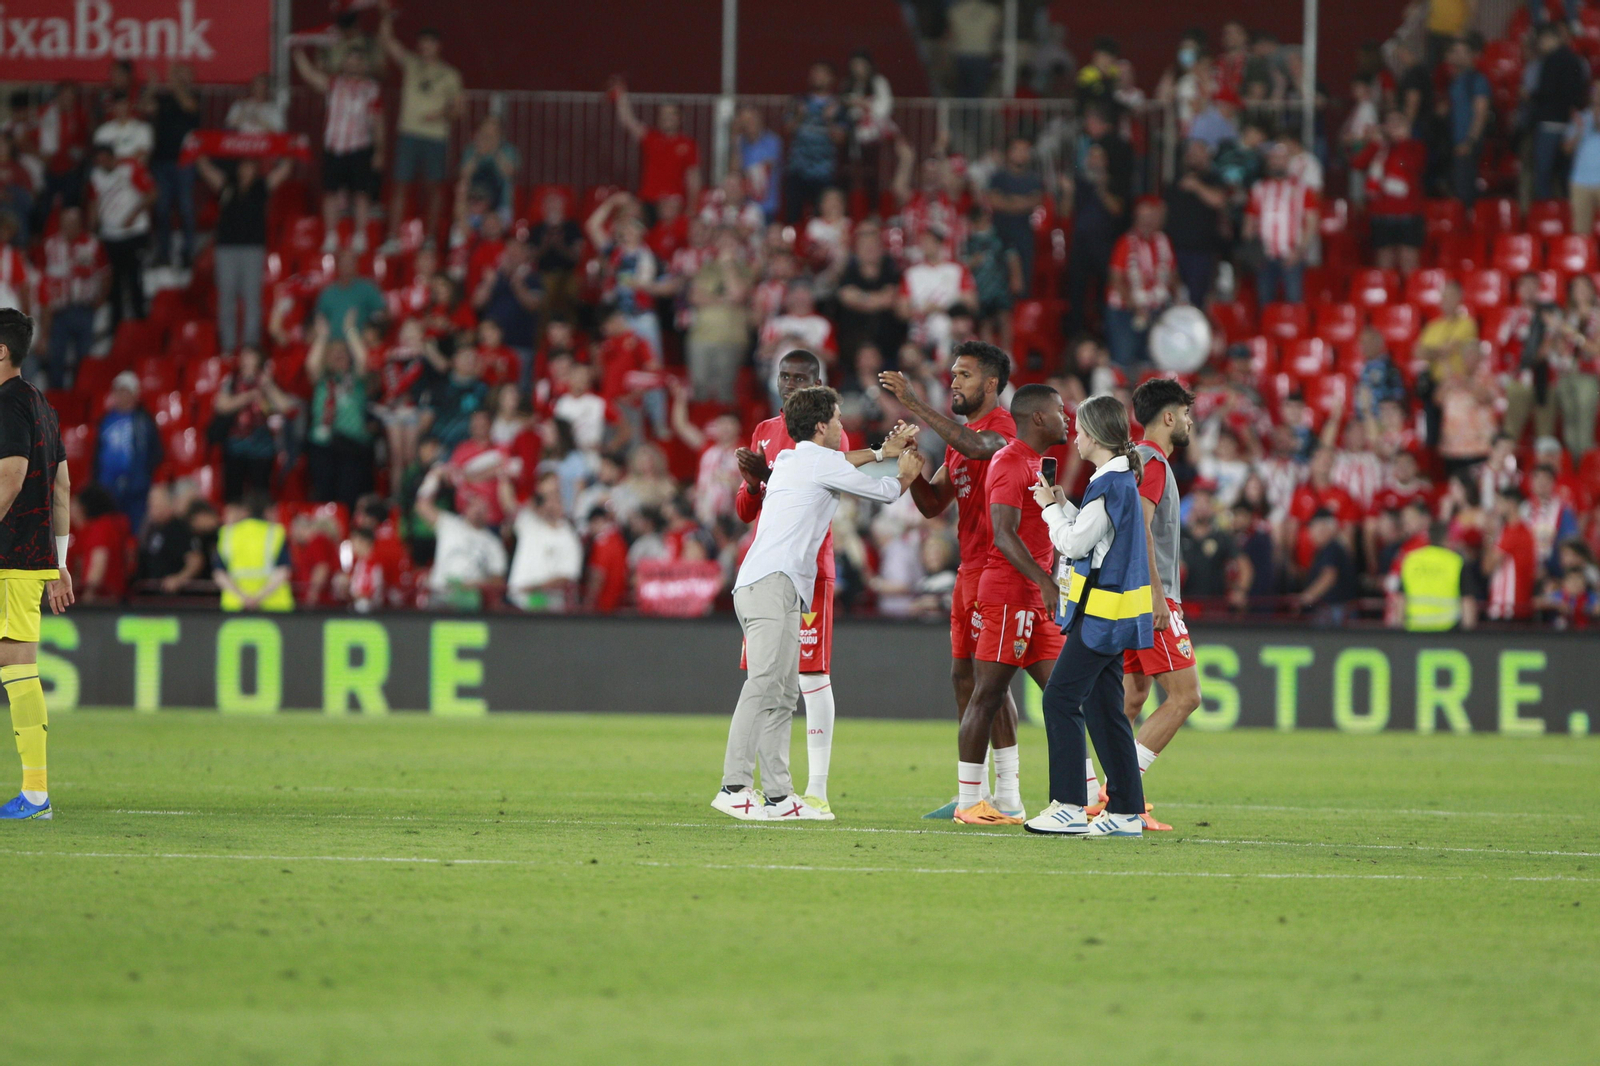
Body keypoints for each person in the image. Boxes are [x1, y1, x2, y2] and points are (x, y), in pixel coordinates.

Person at [713, 385, 920, 823]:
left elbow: (841, 461)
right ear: (823, 426)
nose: (843, 427)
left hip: (776, 584)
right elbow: (883, 492)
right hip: (770, 583)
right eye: (839, 420)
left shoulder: (791, 458)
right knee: (765, 683)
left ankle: (778, 795)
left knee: (785, 692)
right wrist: (904, 472)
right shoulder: (813, 461)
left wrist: (881, 449)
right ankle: (733, 786)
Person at [881, 342, 1023, 818]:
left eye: (963, 375)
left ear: (990, 384)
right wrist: (915, 464)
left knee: (991, 682)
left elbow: (980, 448)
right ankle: (977, 793)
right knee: (966, 678)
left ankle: (1008, 794)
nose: (953, 383)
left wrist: (915, 404)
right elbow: (932, 504)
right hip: (967, 571)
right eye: (952, 375)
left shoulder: (1000, 429)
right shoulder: (962, 440)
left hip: (997, 570)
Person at [1024, 393, 1153, 838]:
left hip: (1099, 616)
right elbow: (1097, 537)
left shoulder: (1108, 484)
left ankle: (1068, 805)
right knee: (1103, 709)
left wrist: (1046, 508)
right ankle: (1125, 811)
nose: (1074, 437)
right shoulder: (1117, 482)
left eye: (1079, 430)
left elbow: (1075, 545)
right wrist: (1062, 506)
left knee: (1059, 699)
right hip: (1113, 614)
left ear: (1096, 435)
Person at [950, 385, 1069, 825]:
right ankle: (968, 802)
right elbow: (1003, 533)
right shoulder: (1010, 460)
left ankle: (1087, 794)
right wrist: (1044, 580)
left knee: (1065, 696)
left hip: (1037, 599)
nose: (1066, 417)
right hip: (1008, 596)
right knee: (987, 694)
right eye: (1059, 411)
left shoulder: (1039, 465)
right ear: (1038, 418)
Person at [1116, 379, 1203, 831]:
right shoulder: (1152, 463)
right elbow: (1141, 530)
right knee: (1186, 696)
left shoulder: (1137, 461)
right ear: (1168, 417)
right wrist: (1157, 594)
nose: (1189, 421)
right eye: (1185, 414)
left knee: (1133, 696)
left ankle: (1096, 792)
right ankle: (1121, 797)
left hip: (1131, 595)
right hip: (1148, 596)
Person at [0, 310, 71, 820]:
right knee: (18, 666)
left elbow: (11, 476)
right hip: (29, 557)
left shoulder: (6, 404)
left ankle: (37, 795)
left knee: (18, 667)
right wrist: (59, 562)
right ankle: (36, 792)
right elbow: (62, 487)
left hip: (6, 554)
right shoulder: (43, 406)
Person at [379, 7, 463, 250]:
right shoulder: (411, 64)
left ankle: (430, 238)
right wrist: (385, 17)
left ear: (438, 46)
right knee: (400, 185)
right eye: (422, 44)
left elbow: (458, 109)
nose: (425, 47)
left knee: (434, 188)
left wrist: (440, 114)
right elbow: (387, 42)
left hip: (436, 136)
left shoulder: (450, 75)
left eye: (430, 44)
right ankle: (393, 238)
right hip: (408, 134)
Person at [198, 153, 292, 354]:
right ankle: (228, 347)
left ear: (255, 169)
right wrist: (199, 151)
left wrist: (290, 151)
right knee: (226, 299)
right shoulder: (227, 185)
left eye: (250, 166)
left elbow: (283, 171)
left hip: (252, 249)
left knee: (251, 299)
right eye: (243, 166)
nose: (246, 170)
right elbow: (207, 171)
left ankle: (250, 347)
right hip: (226, 249)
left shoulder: (261, 187)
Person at [293, 46, 383, 253]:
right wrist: (298, 53)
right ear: (344, 63)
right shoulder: (334, 83)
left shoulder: (371, 89)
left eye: (358, 60)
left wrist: (379, 150)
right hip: (334, 146)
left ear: (364, 65)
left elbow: (378, 121)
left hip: (360, 146)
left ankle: (360, 236)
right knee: (330, 193)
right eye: (350, 59)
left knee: (361, 194)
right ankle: (331, 235)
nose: (353, 64)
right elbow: (310, 76)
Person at [86, 141, 153, 332]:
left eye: (104, 159)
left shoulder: (130, 168)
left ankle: (141, 323)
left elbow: (151, 193)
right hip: (110, 235)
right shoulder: (95, 176)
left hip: (134, 233)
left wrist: (133, 214)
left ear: (112, 157)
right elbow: (94, 203)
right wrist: (93, 229)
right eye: (98, 160)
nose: (101, 164)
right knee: (114, 283)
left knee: (134, 280)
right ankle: (117, 327)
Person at [39, 206, 106, 389]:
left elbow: (106, 272)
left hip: (84, 308)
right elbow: (43, 280)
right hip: (58, 311)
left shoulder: (92, 244)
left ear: (80, 224)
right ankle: (56, 402)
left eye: (73, 223)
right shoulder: (50, 246)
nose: (69, 227)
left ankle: (79, 398)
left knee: (83, 359)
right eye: (65, 223)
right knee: (56, 358)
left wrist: (101, 298)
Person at [1354, 110, 1427, 277]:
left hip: (1408, 213)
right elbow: (1358, 163)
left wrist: (1402, 141)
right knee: (1384, 260)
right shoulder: (1379, 148)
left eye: (1397, 123)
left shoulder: (1415, 146)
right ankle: (1387, 298)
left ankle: (1409, 296)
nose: (1393, 128)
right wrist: (1375, 144)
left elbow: (1411, 164)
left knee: (1408, 259)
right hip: (1381, 212)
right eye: (1389, 123)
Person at [1106, 196, 1176, 367]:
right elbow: (1116, 278)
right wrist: (1135, 306)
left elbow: (1172, 273)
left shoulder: (1163, 242)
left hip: (1155, 309)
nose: (1148, 222)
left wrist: (1176, 297)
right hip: (1125, 311)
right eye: (1144, 218)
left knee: (1152, 359)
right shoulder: (1125, 242)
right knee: (1125, 359)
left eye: (1152, 217)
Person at [1244, 142, 1318, 304]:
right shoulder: (1258, 189)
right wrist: (1252, 251)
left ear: (1289, 162)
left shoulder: (1303, 189)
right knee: (1264, 301)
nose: (1277, 162)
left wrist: (1299, 251)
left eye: (1282, 158)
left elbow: (1311, 222)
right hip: (1264, 255)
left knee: (1293, 300)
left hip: (1291, 254)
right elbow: (1249, 222)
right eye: (1274, 158)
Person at [142, 63, 199, 267]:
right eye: (177, 74)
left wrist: (175, 84)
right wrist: (151, 87)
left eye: (183, 73)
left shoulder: (194, 96)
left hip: (184, 162)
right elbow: (145, 108)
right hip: (161, 162)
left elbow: (188, 105)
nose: (178, 77)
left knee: (185, 208)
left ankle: (187, 253)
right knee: (162, 209)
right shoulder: (163, 98)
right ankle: (163, 253)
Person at [613, 88, 701, 219]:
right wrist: (621, 96)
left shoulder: (688, 144)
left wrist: (691, 208)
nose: (667, 118)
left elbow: (693, 179)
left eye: (671, 114)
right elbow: (628, 121)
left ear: (680, 117)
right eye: (663, 114)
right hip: (647, 201)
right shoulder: (650, 138)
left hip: (672, 205)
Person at [1528, 22, 1588, 203]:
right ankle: (1565, 218)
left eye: (1541, 41)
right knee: (1566, 177)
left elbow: (1546, 92)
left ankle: (1546, 216)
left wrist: (1532, 97)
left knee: (1543, 175)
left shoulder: (1550, 61)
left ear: (1549, 38)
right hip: (1569, 125)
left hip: (1549, 124)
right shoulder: (1576, 60)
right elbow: (1580, 94)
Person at [93, 371, 161, 530]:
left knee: (134, 529)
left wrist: (142, 475)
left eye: (126, 391)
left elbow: (155, 452)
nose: (121, 395)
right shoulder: (105, 420)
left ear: (135, 394)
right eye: (118, 391)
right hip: (107, 487)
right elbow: (98, 452)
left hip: (136, 488)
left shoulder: (144, 420)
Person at [1164, 139, 1227, 306]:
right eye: (1190, 153)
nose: (1193, 157)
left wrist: (1197, 186)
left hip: (1201, 251)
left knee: (1197, 298)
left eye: (1198, 153)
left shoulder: (1213, 179)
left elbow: (1218, 201)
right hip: (1174, 249)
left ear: (1206, 156)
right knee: (1171, 296)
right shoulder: (1175, 180)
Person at [783, 63, 848, 224]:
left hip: (824, 172)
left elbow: (841, 138)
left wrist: (829, 120)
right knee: (792, 217)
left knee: (822, 218)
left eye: (822, 73)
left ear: (832, 78)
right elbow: (787, 129)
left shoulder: (838, 106)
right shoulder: (799, 101)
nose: (817, 76)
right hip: (798, 169)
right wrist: (799, 116)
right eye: (815, 73)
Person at [505, 478, 583, 611]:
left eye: (555, 500)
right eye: (547, 499)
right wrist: (504, 477)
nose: (550, 504)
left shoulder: (569, 536)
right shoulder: (529, 521)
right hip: (516, 602)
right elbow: (508, 505)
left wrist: (535, 588)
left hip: (547, 606)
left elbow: (568, 576)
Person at [213, 491, 292, 612]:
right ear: (267, 511)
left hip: (234, 606)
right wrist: (258, 598)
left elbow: (219, 574)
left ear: (245, 510)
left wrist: (243, 598)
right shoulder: (276, 533)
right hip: (274, 607)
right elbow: (283, 571)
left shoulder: (227, 534)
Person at [987, 137, 1043, 293]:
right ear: (1009, 152)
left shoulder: (1034, 179)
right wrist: (1021, 202)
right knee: (998, 283)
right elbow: (995, 202)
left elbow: (1035, 202)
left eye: (1024, 150)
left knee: (1023, 284)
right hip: (1000, 235)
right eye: (1017, 150)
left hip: (1024, 236)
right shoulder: (998, 177)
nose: (1021, 154)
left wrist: (1009, 201)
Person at [1401, 521, 1472, 631]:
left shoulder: (1411, 560)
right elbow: (1467, 602)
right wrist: (1469, 636)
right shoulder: (1456, 562)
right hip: (1448, 632)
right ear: (1446, 538)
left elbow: (1400, 600)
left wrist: (1398, 632)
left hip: (1415, 631)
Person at [1445, 36, 1490, 209]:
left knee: (1464, 191)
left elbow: (1481, 113)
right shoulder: (1456, 80)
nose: (1454, 56)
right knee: (1456, 189)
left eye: (1459, 52)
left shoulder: (1477, 80)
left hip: (1466, 144)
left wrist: (1470, 141)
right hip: (1455, 143)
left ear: (1471, 55)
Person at [1567, 81, 1600, 237]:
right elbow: (1566, 149)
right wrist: (1580, 131)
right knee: (1581, 232)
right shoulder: (1580, 118)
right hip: (1581, 182)